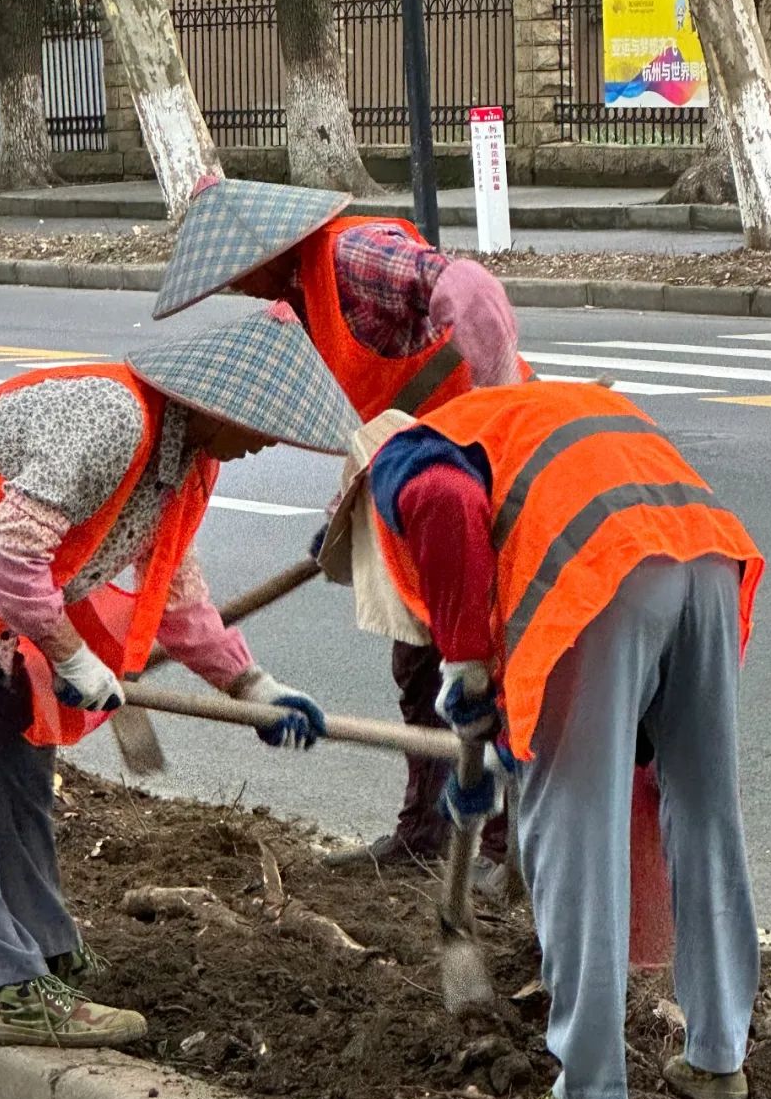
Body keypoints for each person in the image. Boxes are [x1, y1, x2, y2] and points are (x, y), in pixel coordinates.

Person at [0, 302, 357, 1049]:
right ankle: (11, 987)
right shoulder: (113, 420)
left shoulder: (186, 464)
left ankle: (47, 946)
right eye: (263, 423)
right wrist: (68, 654)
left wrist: (252, 686)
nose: (267, 442)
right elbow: (6, 553)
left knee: (22, 769)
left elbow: (177, 595)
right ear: (216, 404)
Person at [318, 380, 765, 1099]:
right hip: (706, 556)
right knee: (704, 807)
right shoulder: (508, 422)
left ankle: (589, 1085)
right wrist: (494, 745)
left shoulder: (400, 458)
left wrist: (462, 664)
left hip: (604, 571)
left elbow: (446, 507)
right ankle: (718, 1058)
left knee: (574, 826)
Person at [154, 176, 528, 875]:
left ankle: (504, 846)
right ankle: (426, 831)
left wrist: (500, 399)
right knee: (416, 666)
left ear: (266, 248)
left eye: (235, 274)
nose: (234, 289)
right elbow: (368, 412)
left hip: (478, 475)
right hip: (412, 492)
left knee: (482, 667)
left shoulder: (356, 255)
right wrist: (342, 515)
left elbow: (470, 287)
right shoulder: (297, 303)